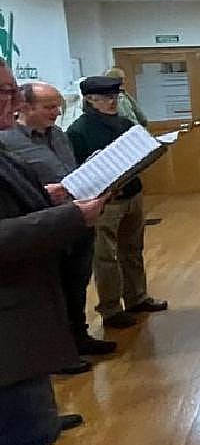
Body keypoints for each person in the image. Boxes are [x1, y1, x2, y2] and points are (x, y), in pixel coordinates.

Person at [0, 64, 130, 445]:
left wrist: (50, 199)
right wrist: (67, 218)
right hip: (8, 330)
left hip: (19, 315)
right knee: (24, 438)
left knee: (19, 437)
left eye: (13, 90)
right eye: (5, 92)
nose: (13, 100)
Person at [0, 83, 116, 362]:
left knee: (77, 284)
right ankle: (62, 353)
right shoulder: (8, 141)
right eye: (49, 107)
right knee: (57, 289)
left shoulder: (60, 135)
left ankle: (80, 337)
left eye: (58, 106)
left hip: (75, 219)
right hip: (44, 227)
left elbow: (69, 171)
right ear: (26, 108)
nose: (56, 112)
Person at [67, 77, 168, 331]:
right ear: (90, 99)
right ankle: (111, 309)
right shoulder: (78, 131)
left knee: (132, 249)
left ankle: (137, 297)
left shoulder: (124, 124)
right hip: (105, 202)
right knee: (105, 257)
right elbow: (78, 170)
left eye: (115, 97)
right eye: (106, 98)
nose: (113, 102)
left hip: (132, 194)